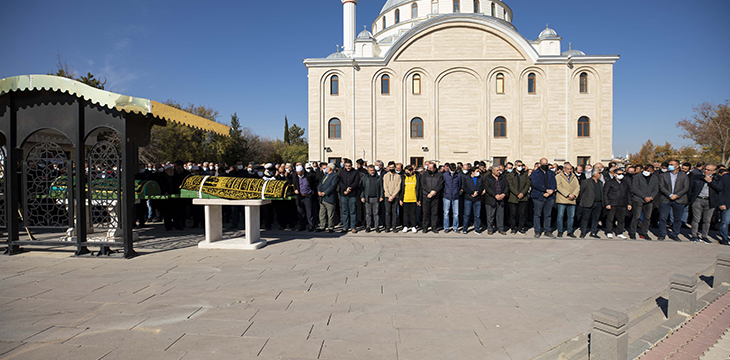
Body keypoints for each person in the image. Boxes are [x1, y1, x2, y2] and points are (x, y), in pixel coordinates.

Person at [657, 160, 691, 241]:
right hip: (665, 198)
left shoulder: (684, 176)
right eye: (669, 164)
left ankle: (675, 234)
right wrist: (669, 195)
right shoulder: (663, 175)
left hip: (679, 199)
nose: (670, 166)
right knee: (663, 218)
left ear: (677, 166)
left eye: (672, 164)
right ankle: (662, 234)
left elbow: (686, 187)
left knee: (677, 219)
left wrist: (676, 195)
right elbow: (661, 186)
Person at [689, 164, 718, 243]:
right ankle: (694, 235)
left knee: (707, 220)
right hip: (698, 199)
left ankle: (704, 236)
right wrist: (691, 199)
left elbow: (719, 189)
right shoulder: (697, 177)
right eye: (705, 169)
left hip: (710, 201)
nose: (706, 171)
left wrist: (710, 182)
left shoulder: (717, 179)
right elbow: (691, 188)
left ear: (714, 171)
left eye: (709, 170)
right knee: (696, 219)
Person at [630, 164, 659, 240]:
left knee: (647, 217)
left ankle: (644, 233)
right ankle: (632, 232)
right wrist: (644, 197)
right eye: (645, 170)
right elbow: (634, 188)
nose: (646, 172)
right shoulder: (637, 177)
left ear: (652, 171)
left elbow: (656, 189)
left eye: (648, 171)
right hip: (638, 199)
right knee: (636, 216)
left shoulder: (655, 178)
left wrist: (651, 197)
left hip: (650, 200)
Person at [531, 158, 557, 238]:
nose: (545, 165)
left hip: (549, 197)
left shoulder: (551, 173)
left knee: (548, 215)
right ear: (540, 164)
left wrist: (551, 191)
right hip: (538, 196)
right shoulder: (535, 173)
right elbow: (536, 184)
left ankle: (547, 230)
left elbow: (554, 182)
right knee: (537, 214)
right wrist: (545, 191)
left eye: (546, 164)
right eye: (543, 164)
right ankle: (537, 230)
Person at [603, 168, 632, 239]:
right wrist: (607, 203)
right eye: (619, 174)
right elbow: (605, 194)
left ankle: (620, 232)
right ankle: (609, 231)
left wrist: (629, 203)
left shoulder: (625, 183)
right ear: (615, 174)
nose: (621, 175)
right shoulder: (610, 182)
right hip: (612, 203)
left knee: (621, 219)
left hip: (622, 204)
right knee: (610, 218)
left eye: (622, 174)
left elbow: (628, 194)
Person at [556, 163, 580, 238]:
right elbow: (559, 187)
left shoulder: (573, 176)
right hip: (562, 199)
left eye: (571, 169)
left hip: (572, 200)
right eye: (568, 169)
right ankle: (560, 231)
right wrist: (568, 194)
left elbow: (577, 187)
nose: (570, 170)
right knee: (560, 216)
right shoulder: (558, 176)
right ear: (564, 169)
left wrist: (574, 195)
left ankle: (570, 231)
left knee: (571, 216)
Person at [484, 165, 509, 235]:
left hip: (501, 198)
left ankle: (500, 228)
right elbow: (487, 187)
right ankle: (490, 228)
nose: (499, 172)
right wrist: (495, 195)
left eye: (499, 170)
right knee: (490, 215)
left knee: (500, 215)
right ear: (493, 171)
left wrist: (503, 194)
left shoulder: (502, 177)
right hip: (491, 199)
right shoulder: (488, 178)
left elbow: (506, 186)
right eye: (497, 170)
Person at [507, 160, 531, 234]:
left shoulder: (525, 174)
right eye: (518, 165)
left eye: (521, 165)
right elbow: (510, 185)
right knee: (513, 214)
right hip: (513, 197)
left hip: (523, 197)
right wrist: (517, 193)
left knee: (522, 214)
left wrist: (522, 193)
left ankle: (521, 227)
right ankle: (513, 227)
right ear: (515, 166)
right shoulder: (510, 175)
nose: (520, 167)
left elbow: (528, 184)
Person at [579, 170, 604, 239]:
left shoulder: (600, 183)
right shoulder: (586, 182)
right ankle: (583, 232)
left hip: (598, 203)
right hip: (588, 203)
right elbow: (581, 192)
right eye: (599, 173)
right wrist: (583, 201)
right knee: (585, 218)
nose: (600, 174)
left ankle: (593, 232)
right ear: (594, 174)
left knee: (596, 218)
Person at [420, 162, 444, 233]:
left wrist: (434, 192)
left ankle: (434, 227)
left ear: (434, 168)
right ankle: (425, 227)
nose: (429, 169)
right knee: (425, 213)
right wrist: (429, 192)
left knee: (434, 213)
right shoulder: (424, 174)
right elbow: (423, 184)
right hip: (426, 195)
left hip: (435, 196)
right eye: (428, 168)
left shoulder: (439, 175)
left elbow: (440, 185)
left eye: (430, 168)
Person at [339, 159, 361, 233]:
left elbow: (356, 182)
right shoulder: (341, 172)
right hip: (344, 194)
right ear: (344, 166)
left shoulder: (355, 172)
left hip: (352, 194)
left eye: (349, 166)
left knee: (353, 211)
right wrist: (345, 189)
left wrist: (350, 188)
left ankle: (353, 227)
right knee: (345, 211)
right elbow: (340, 182)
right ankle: (345, 226)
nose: (348, 167)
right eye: (347, 166)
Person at [360, 165, 384, 233]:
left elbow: (381, 188)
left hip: (376, 198)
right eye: (371, 170)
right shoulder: (365, 178)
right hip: (368, 198)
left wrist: (381, 196)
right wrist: (362, 196)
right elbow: (362, 188)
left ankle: (377, 227)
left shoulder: (378, 178)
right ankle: (368, 226)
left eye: (373, 170)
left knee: (376, 213)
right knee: (368, 213)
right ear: (368, 171)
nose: (372, 171)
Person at [316, 163, 340, 233]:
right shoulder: (325, 175)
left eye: (327, 167)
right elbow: (321, 184)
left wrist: (325, 193)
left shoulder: (335, 176)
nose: (326, 168)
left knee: (330, 214)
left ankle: (330, 227)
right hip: (322, 198)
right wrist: (319, 191)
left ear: (331, 168)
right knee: (322, 213)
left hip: (329, 197)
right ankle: (322, 226)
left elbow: (332, 186)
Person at [293, 165, 316, 231]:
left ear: (303, 171)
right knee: (300, 212)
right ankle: (302, 226)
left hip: (307, 196)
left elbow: (313, 184)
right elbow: (293, 185)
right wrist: (295, 190)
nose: (299, 174)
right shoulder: (295, 178)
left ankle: (311, 225)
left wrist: (312, 191)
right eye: (298, 173)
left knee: (309, 212)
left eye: (300, 172)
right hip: (299, 197)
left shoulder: (309, 176)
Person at [461, 167, 485, 234]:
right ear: (472, 172)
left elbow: (482, 187)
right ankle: (465, 228)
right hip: (468, 198)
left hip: (477, 199)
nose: (478, 172)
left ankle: (477, 229)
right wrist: (471, 193)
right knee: (467, 214)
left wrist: (477, 192)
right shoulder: (466, 178)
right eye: (477, 171)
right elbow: (465, 187)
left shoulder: (480, 178)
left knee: (477, 215)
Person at [399, 165, 421, 233]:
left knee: (413, 214)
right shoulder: (403, 177)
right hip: (405, 199)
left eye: (408, 171)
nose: (406, 173)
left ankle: (413, 226)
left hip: (414, 199)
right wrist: (400, 199)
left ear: (412, 171)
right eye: (405, 171)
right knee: (405, 214)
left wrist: (419, 199)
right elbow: (401, 189)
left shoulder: (417, 177)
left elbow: (419, 189)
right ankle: (405, 226)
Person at [382, 161, 402, 233]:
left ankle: (394, 227)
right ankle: (387, 227)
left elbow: (398, 186)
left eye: (393, 167)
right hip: (387, 196)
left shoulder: (398, 176)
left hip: (395, 197)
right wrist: (388, 195)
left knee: (394, 212)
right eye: (390, 167)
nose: (391, 168)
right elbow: (385, 186)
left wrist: (393, 195)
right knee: (387, 212)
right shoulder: (385, 176)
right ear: (388, 167)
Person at [442, 163, 461, 233]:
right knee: (446, 213)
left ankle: (455, 227)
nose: (453, 171)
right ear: (449, 169)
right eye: (452, 169)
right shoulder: (445, 175)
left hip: (455, 196)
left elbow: (459, 185)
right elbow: (443, 185)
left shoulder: (458, 175)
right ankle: (446, 227)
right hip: (447, 196)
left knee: (456, 213)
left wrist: (457, 192)